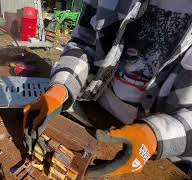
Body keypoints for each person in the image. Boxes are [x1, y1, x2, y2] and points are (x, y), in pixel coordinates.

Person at [22, 0, 192, 177]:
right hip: (97, 118)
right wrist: (60, 88)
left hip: (164, 154)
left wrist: (155, 135)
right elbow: (83, 41)